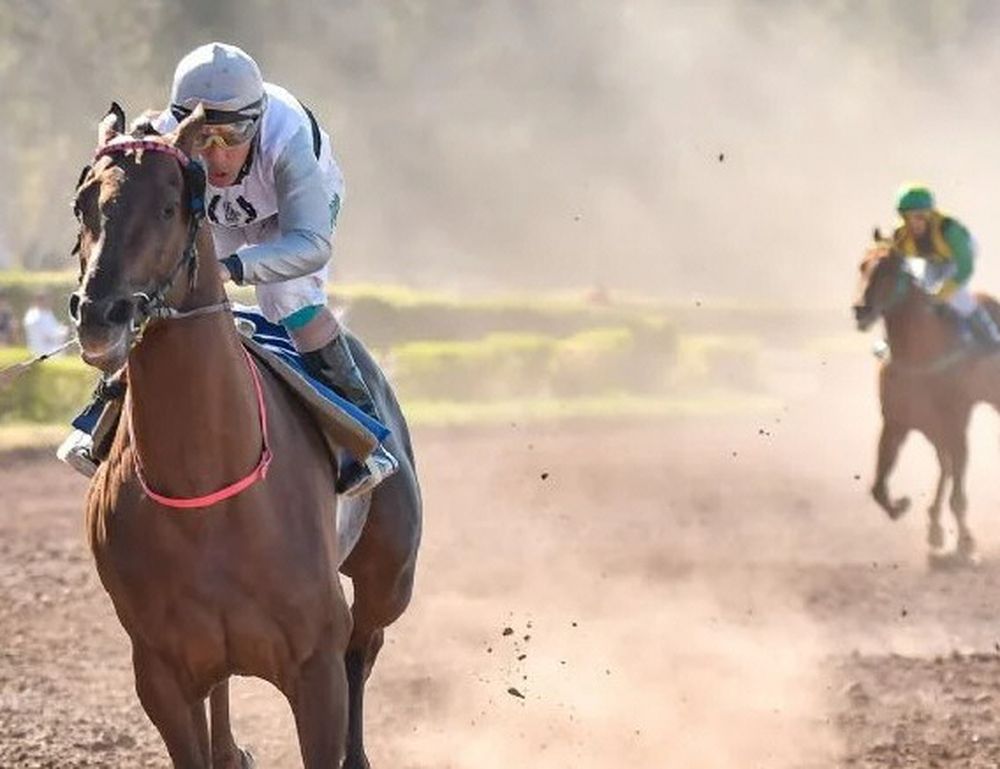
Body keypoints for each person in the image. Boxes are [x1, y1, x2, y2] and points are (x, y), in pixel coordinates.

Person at [60, 42, 397, 496]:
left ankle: (363, 433)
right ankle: (101, 415)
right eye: (203, 137)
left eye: (233, 137)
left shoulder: (287, 139)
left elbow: (312, 244)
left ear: (255, 123)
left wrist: (232, 267)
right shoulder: (164, 135)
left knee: (288, 299)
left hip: (286, 213)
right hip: (216, 212)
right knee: (160, 291)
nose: (216, 155)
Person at [892, 184, 1000, 348]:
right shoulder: (899, 235)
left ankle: (991, 337)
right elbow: (895, 263)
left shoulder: (950, 230)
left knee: (957, 298)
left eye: (920, 217)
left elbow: (965, 267)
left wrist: (943, 292)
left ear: (929, 215)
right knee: (921, 292)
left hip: (957, 258)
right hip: (932, 259)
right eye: (909, 218)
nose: (915, 224)